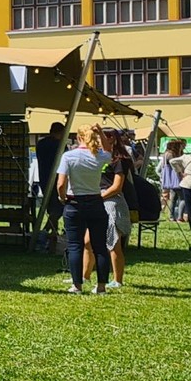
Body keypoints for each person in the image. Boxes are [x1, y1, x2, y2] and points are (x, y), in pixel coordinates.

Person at [56, 123, 110, 294]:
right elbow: (109, 151)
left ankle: (77, 285)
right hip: (96, 202)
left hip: (75, 203)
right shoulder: (99, 156)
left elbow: (61, 183)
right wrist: (101, 133)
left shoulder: (69, 156)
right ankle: (101, 286)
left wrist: (62, 197)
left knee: (75, 246)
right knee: (100, 246)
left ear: (78, 137)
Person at [97, 131, 135, 288]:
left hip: (112, 201)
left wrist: (100, 197)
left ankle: (117, 280)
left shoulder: (120, 160)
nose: (99, 140)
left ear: (113, 139)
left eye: (103, 137)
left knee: (113, 242)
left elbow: (117, 187)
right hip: (98, 199)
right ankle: (83, 277)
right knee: (88, 241)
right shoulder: (100, 157)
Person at [34, 121, 65, 247]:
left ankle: (52, 233)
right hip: (57, 179)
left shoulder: (41, 143)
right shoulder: (59, 145)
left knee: (51, 207)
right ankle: (47, 229)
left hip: (44, 178)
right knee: (58, 207)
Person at [159, 141, 183, 222]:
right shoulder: (170, 154)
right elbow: (174, 164)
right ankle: (175, 216)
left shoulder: (167, 154)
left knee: (173, 197)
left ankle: (173, 215)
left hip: (171, 176)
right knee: (177, 197)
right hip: (173, 176)